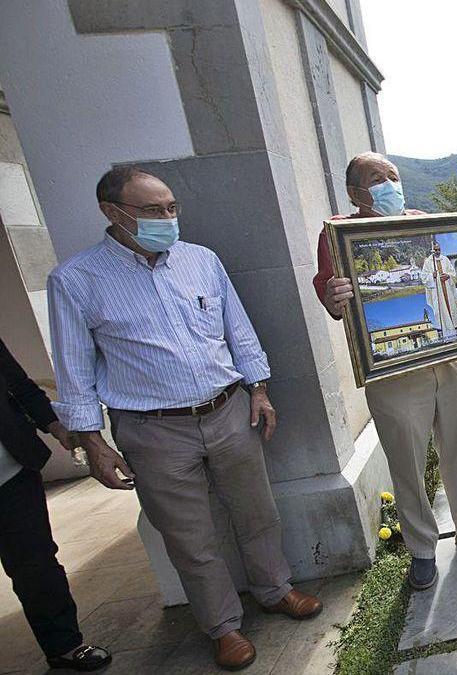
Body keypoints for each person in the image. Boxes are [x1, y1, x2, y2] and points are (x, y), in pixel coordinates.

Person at [48, 167, 321, 671]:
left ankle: (275, 589)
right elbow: (74, 369)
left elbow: (237, 329)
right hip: (152, 431)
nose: (168, 218)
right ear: (112, 213)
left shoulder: (200, 261)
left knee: (257, 511)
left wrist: (257, 389)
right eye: (153, 211)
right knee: (189, 537)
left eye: (172, 208)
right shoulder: (76, 280)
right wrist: (94, 443)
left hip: (227, 410)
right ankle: (223, 627)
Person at [315, 153, 457, 591]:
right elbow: (334, 299)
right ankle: (422, 549)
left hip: (447, 359)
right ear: (356, 192)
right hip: (394, 373)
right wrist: (335, 295)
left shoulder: (422, 221)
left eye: (392, 175)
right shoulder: (338, 234)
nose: (390, 183)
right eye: (377, 178)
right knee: (407, 460)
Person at [0, 339, 111, 672]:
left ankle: (65, 646)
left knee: (37, 564)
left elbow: (20, 386)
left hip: (12, 474)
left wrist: (59, 427)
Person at [421, 241, 457, 339]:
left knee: (451, 308)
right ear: (432, 250)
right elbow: (423, 277)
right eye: (435, 250)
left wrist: (448, 276)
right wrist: (432, 276)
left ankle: (455, 333)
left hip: (448, 290)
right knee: (441, 311)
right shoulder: (428, 262)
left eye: (439, 249)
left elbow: (453, 273)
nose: (438, 251)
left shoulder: (445, 259)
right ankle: (446, 335)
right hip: (437, 292)